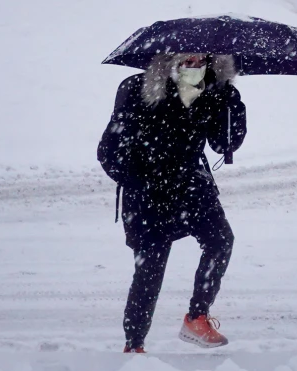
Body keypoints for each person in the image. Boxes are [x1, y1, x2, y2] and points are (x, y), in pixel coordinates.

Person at [97, 52, 246, 353]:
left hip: (191, 184)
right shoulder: (139, 89)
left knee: (221, 241)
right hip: (148, 192)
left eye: (200, 61)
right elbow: (109, 151)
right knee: (150, 269)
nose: (193, 67)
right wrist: (140, 180)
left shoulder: (214, 92)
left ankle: (197, 317)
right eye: (185, 61)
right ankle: (134, 343)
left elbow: (223, 144)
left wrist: (231, 103)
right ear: (169, 61)